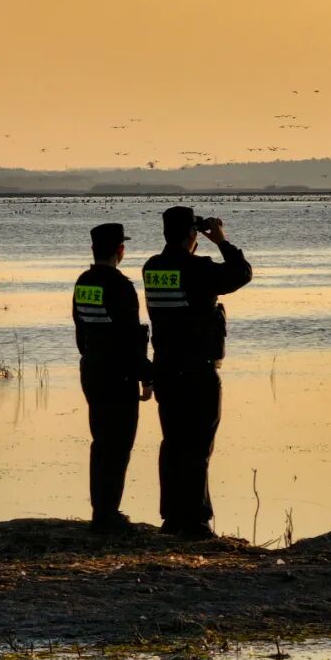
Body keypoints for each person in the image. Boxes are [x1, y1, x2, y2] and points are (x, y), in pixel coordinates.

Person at [142, 206, 252, 540]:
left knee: (173, 443)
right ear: (192, 234)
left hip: (165, 367)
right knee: (198, 446)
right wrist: (221, 241)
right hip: (197, 370)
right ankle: (196, 520)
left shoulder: (152, 268)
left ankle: (172, 517)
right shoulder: (198, 268)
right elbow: (241, 273)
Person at [73, 223, 153, 534]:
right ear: (120, 250)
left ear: (94, 249)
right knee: (119, 444)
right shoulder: (121, 286)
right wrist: (145, 377)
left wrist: (91, 356)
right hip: (118, 374)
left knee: (101, 441)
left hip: (92, 369)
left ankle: (100, 509)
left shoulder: (83, 282)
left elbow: (80, 329)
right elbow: (131, 338)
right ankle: (108, 514)